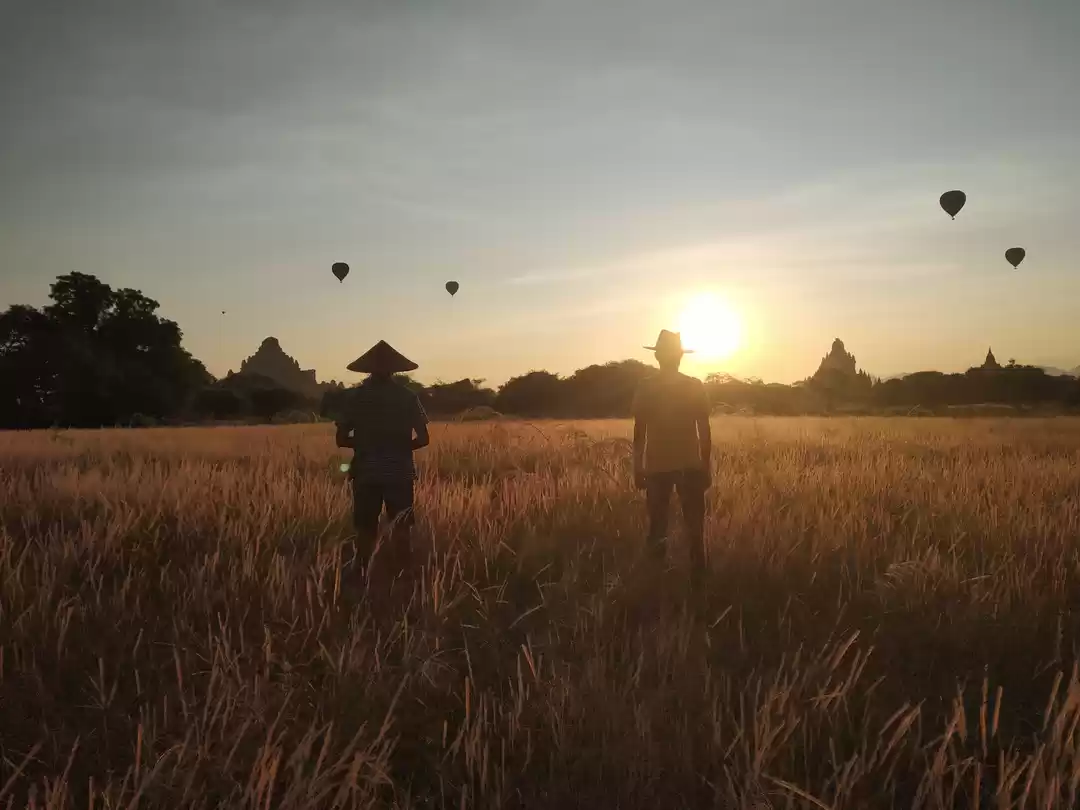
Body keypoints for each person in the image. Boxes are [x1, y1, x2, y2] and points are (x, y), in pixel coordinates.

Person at [335, 340, 430, 574]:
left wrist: (367, 443)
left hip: (366, 471)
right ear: (394, 370)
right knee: (401, 524)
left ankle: (361, 568)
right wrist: (399, 446)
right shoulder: (407, 397)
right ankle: (403, 571)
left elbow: (341, 439)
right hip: (399, 471)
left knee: (365, 525)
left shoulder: (355, 398)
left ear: (368, 369)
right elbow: (423, 438)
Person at [632, 330, 712, 571]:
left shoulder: (646, 387)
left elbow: (639, 431)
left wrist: (637, 467)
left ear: (657, 356)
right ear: (680, 357)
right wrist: (705, 465)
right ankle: (698, 581)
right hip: (690, 465)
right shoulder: (694, 386)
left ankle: (655, 581)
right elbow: (704, 430)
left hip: (657, 467)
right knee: (695, 531)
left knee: (657, 528)